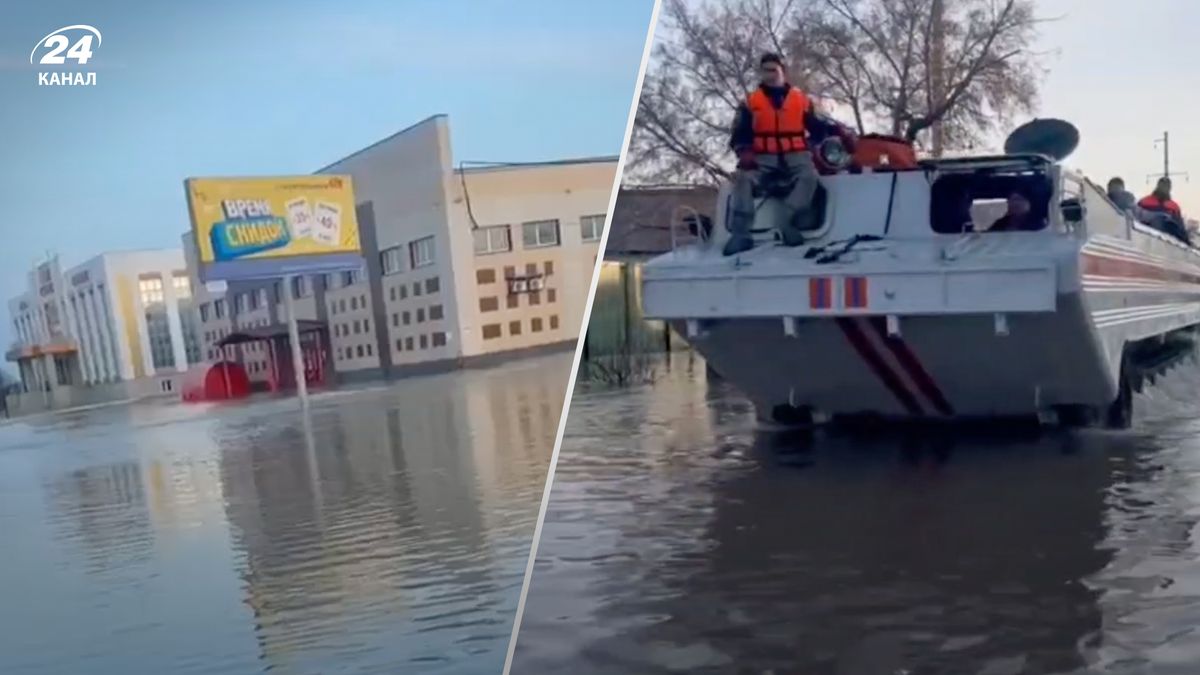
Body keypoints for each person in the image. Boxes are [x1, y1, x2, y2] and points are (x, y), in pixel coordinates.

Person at [724, 52, 847, 256]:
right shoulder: (750, 102)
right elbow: (739, 132)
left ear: (783, 71)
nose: (770, 75)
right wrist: (744, 150)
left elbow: (817, 127)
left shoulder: (801, 100)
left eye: (773, 70)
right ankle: (740, 234)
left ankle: (787, 221)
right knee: (742, 180)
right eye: (765, 71)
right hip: (763, 157)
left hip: (796, 155)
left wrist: (834, 133)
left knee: (809, 178)